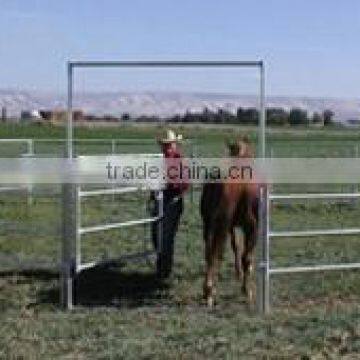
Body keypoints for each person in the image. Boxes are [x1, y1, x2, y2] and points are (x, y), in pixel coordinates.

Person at [151, 129, 189, 278]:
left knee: (166, 236)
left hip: (172, 202)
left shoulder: (179, 160)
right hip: (159, 201)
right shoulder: (159, 160)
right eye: (163, 145)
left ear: (174, 145)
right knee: (156, 234)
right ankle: (162, 264)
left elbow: (185, 184)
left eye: (168, 145)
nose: (165, 147)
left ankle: (164, 270)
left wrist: (169, 185)